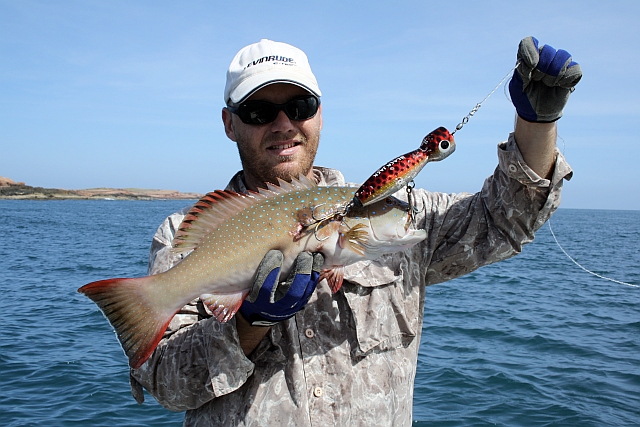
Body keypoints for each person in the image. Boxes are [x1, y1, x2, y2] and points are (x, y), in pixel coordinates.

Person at [130, 37, 580, 426]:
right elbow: (166, 384)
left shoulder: (398, 211)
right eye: (259, 110)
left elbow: (503, 219)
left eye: (299, 106)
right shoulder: (183, 237)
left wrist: (537, 125)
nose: (283, 124)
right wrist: (248, 325)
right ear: (230, 123)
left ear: (319, 114)